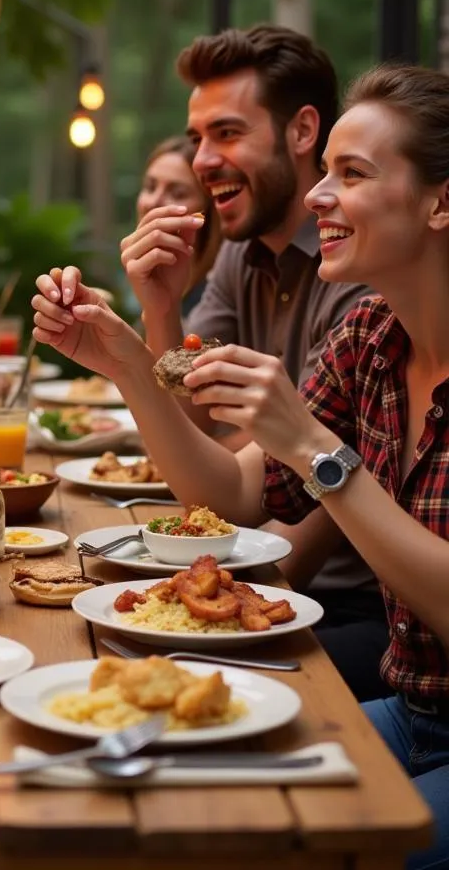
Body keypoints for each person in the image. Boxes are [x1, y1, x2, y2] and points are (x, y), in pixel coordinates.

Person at [32, 63, 449, 869]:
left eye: (351, 175)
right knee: (192, 800)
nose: (319, 198)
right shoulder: (369, 337)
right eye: (323, 172)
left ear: (440, 200)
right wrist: (122, 360)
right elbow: (230, 496)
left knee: (298, 849)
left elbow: (315, 476)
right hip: (413, 711)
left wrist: (321, 454)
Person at [120, 25, 384, 700]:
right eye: (199, 136)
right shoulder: (242, 252)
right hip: (259, 554)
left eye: (227, 133)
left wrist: (198, 606)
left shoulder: (369, 277)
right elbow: (204, 425)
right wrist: (160, 310)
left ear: (303, 131)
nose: (202, 159)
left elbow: (302, 497)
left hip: (352, 609)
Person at [135, 135, 221, 315]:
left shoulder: (219, 291)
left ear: (208, 210)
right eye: (150, 187)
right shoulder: (144, 277)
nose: (153, 202)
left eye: (178, 193)